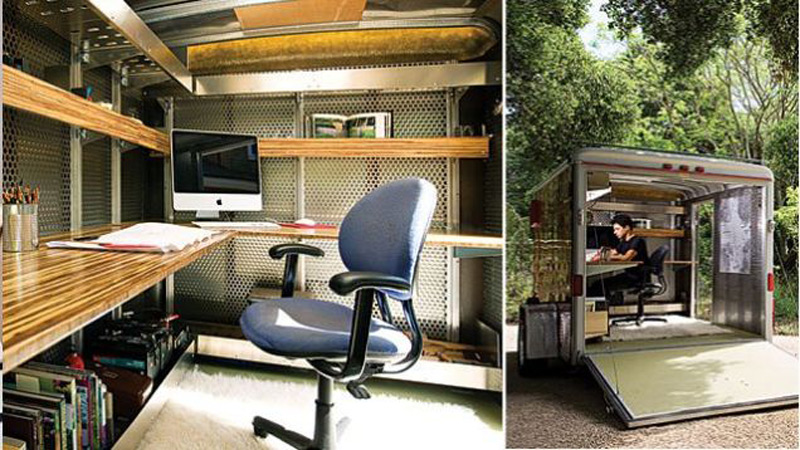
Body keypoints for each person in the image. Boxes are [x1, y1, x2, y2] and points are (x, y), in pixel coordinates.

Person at [588, 214, 649, 304]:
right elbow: (614, 252)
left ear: (627, 228)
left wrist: (605, 256)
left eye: (617, 229)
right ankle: (601, 311)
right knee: (598, 284)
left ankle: (601, 312)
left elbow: (626, 258)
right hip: (628, 275)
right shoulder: (624, 242)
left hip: (636, 278)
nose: (614, 232)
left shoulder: (637, 241)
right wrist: (601, 253)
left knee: (599, 285)